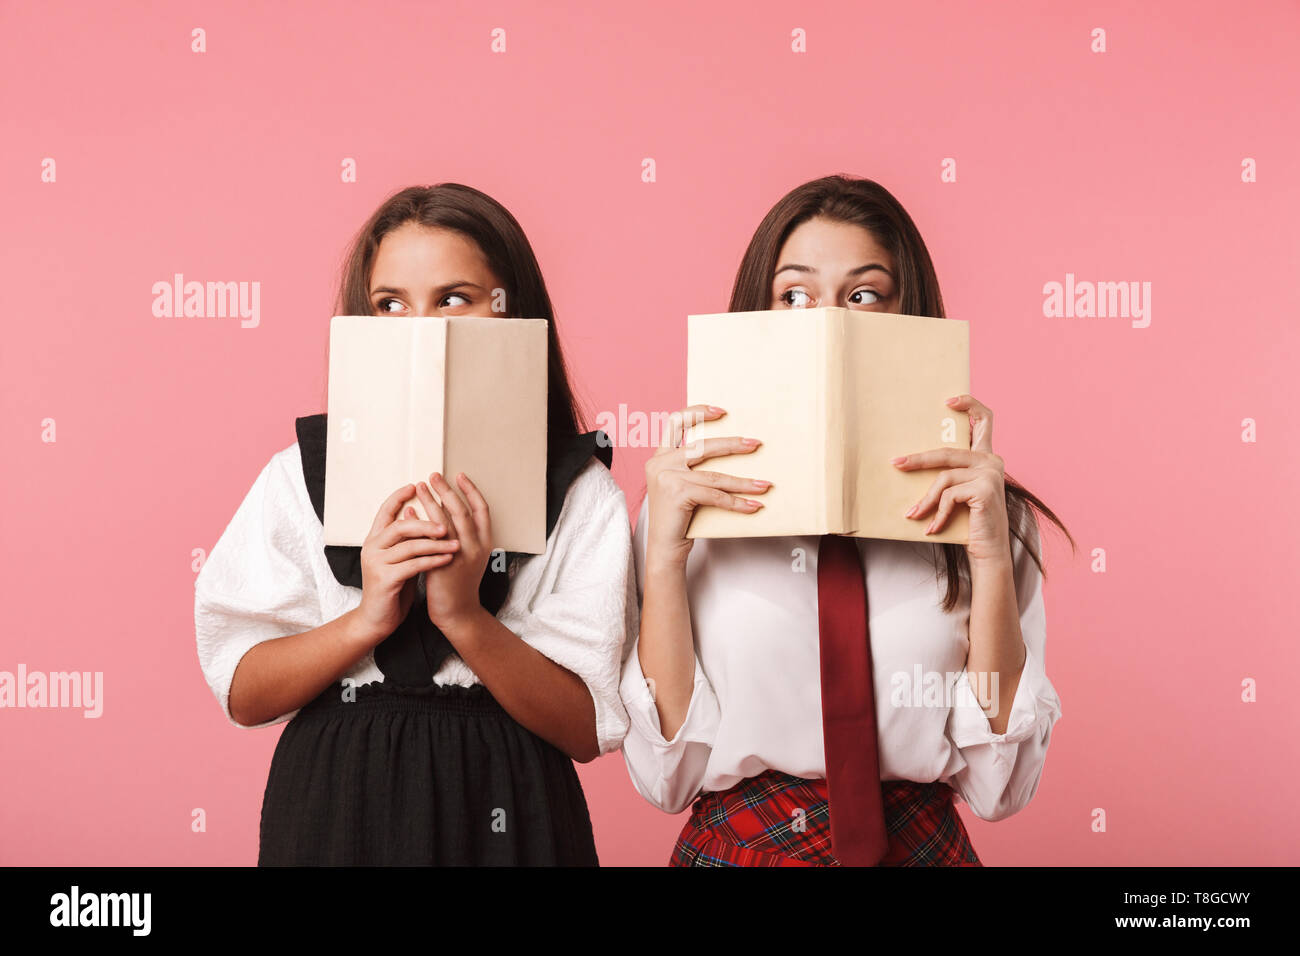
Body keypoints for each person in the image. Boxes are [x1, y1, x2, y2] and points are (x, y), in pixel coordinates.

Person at [619, 174, 1074, 866]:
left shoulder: (986, 516)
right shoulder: (687, 506)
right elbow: (667, 776)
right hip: (743, 851)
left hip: (920, 850)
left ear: (907, 312)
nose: (827, 320)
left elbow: (998, 788)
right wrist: (664, 556)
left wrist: (986, 554)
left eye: (864, 294)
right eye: (795, 295)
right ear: (759, 314)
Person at [195, 183, 636, 865]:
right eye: (391, 305)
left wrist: (465, 617)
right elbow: (245, 692)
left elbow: (585, 729)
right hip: (335, 808)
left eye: (454, 299)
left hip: (509, 806)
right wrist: (368, 617)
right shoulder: (297, 477)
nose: (422, 330)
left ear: (512, 310)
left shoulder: (581, 493)